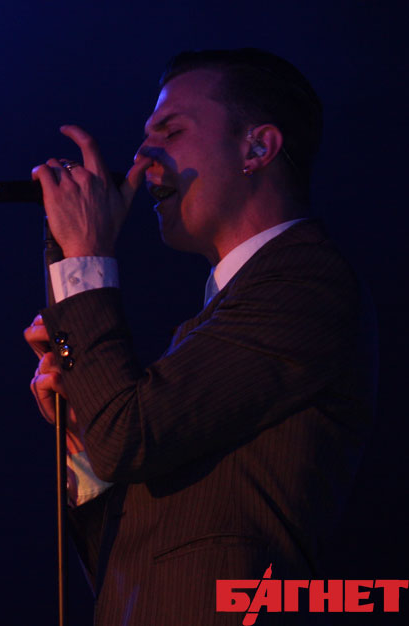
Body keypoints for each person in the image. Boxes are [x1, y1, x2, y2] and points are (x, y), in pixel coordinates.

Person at [24, 49, 377, 625]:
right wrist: (85, 440)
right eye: (146, 136)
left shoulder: (306, 282)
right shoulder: (214, 320)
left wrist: (86, 258)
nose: (141, 156)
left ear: (257, 148)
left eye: (171, 131)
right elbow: (138, 549)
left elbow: (132, 435)